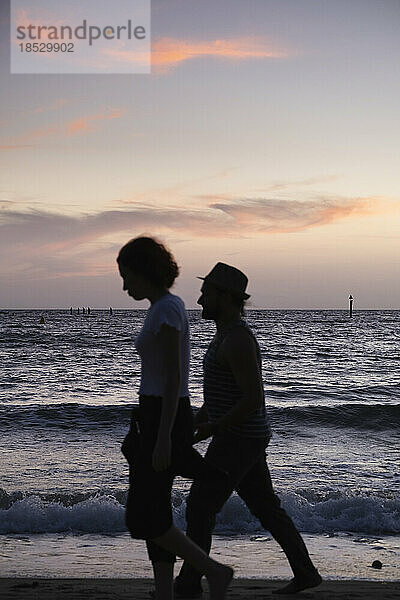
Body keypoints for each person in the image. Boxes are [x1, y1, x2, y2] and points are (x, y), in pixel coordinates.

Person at [175, 262, 322, 597]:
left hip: (240, 438)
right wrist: (200, 420)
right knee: (266, 508)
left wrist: (213, 427)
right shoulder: (224, 334)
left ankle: (188, 585)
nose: (199, 300)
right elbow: (221, 393)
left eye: (206, 293)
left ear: (226, 297)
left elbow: (253, 398)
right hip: (244, 437)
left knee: (200, 506)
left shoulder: (238, 340)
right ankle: (306, 572)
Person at [117, 239, 233, 600]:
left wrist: (164, 436)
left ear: (144, 271)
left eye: (127, 276)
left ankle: (214, 571)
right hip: (155, 415)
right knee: (155, 511)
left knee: (143, 517)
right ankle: (166, 592)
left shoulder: (166, 309)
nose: (124, 286)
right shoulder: (165, 307)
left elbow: (172, 378)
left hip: (162, 417)